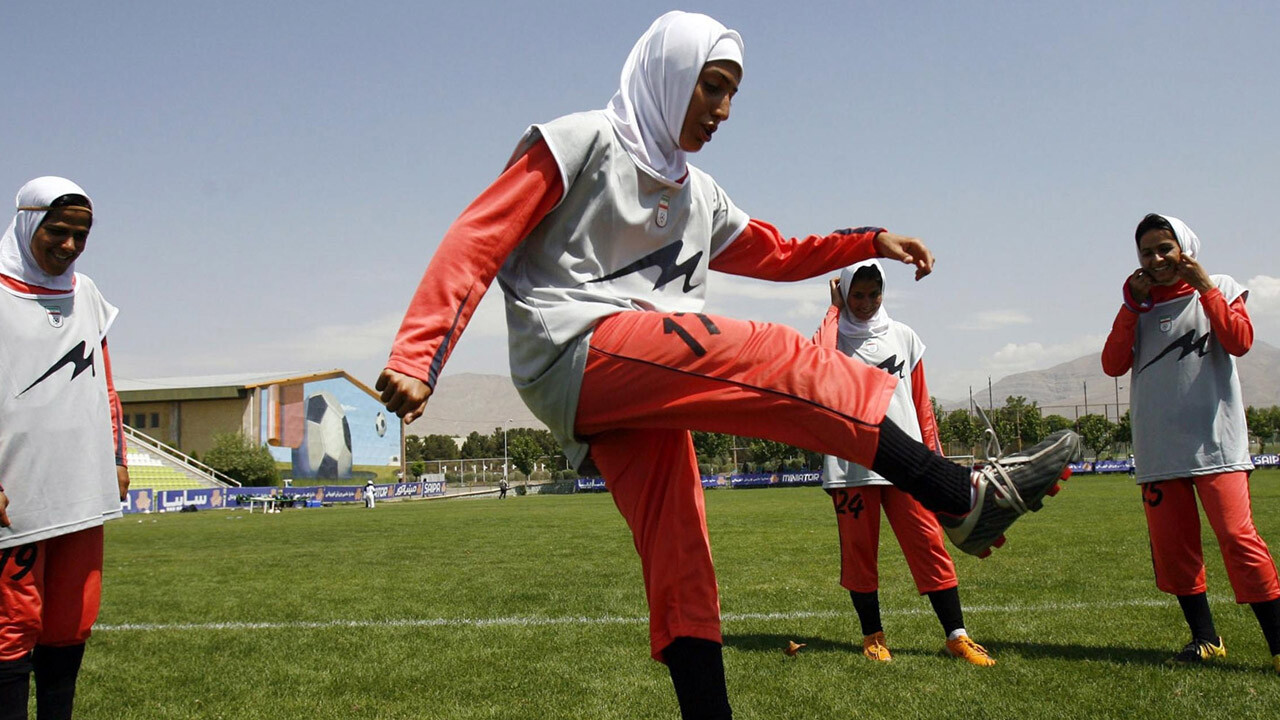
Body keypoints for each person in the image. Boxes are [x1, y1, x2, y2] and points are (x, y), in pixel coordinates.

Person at [377, 12, 1078, 717]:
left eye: (732, 93)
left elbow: (779, 251)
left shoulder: (697, 192)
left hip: (643, 378)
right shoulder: (578, 140)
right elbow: (479, 235)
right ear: (669, 74)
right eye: (711, 87)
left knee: (682, 546)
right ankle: (955, 492)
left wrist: (869, 240)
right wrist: (419, 352)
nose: (723, 110)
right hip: (574, 350)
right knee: (769, 355)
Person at [1102, 213, 1280, 674]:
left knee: (1239, 540)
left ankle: (1278, 643)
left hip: (1216, 444)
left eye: (1166, 248)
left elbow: (1240, 342)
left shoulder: (1218, 285)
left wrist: (1207, 289)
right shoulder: (1137, 305)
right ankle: (1205, 639)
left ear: (1186, 247)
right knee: (1174, 548)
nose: (1158, 259)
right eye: (1147, 252)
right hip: (1160, 451)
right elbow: (1112, 364)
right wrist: (1129, 306)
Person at [813, 261, 993, 666]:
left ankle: (957, 636)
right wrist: (833, 311)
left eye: (873, 293)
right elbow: (818, 363)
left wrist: (937, 465)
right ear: (843, 292)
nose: (865, 302)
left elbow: (921, 404)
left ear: (883, 293)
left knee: (929, 545)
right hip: (850, 467)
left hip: (908, 465)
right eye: (856, 294)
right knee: (860, 553)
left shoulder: (904, 337)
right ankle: (873, 636)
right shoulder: (833, 338)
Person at [0, 177, 130, 720]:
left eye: (81, 235)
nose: (70, 246)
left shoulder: (88, 295)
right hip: (18, 492)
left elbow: (105, 385)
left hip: (81, 486)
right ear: (29, 221)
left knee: (71, 622)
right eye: (57, 231)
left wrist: (118, 459)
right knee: (12, 624)